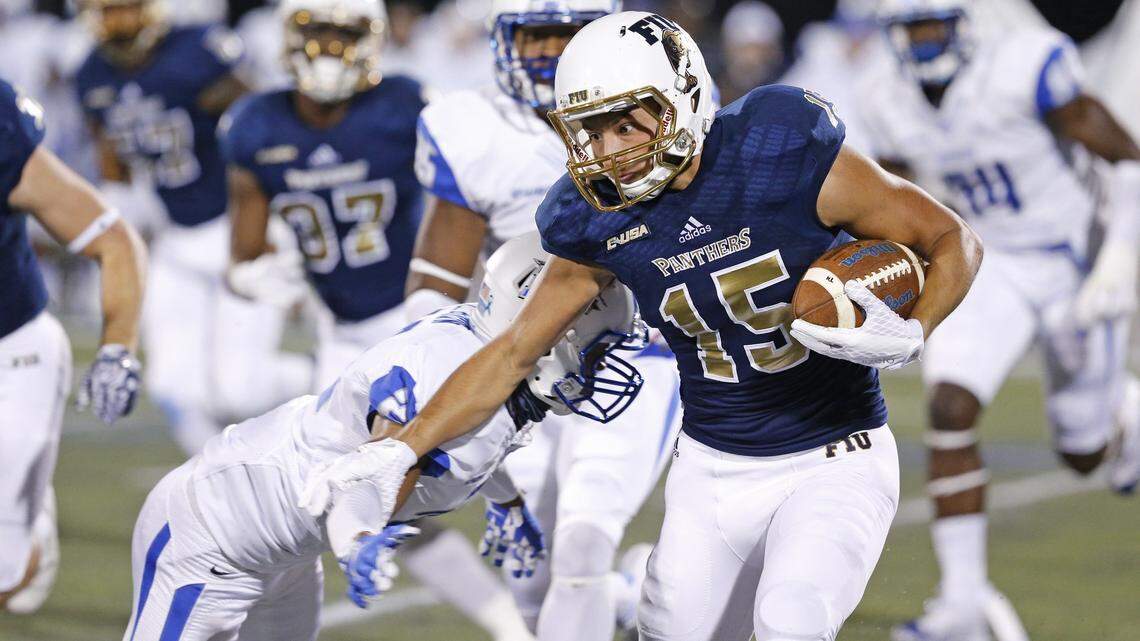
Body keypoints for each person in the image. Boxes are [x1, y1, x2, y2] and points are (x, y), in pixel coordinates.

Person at [304, 11, 984, 641]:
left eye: (626, 124)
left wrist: (917, 327)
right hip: (711, 471)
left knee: (790, 619)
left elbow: (951, 238)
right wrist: (405, 448)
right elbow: (513, 351)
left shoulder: (780, 150)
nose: (609, 149)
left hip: (834, 459)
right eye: (591, 131)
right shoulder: (596, 217)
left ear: (681, 96)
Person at [121, 233, 643, 641]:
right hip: (212, 533)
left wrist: (505, 499)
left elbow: (457, 436)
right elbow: (369, 476)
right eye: (599, 349)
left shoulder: (485, 366)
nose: (600, 368)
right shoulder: (446, 370)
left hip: (285, 551)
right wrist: (361, 542)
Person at [222, 1, 536, 638]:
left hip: (423, 317)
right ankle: (513, 623)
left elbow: (462, 198)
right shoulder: (254, 123)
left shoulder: (407, 104)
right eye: (317, 35)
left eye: (345, 35)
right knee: (369, 497)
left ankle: (549, 607)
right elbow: (243, 255)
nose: (330, 50)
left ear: (370, 41)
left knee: (507, 481)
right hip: (342, 338)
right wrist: (267, 278)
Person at [858, 2, 1140, 640]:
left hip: (1074, 259)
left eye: (933, 24)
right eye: (912, 28)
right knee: (950, 404)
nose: (924, 40)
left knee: (1083, 455)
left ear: (962, 22)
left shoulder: (1027, 61)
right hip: (991, 260)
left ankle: (1122, 410)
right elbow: (893, 198)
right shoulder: (884, 94)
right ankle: (961, 602)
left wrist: (1119, 256)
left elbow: (1127, 158)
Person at [409, 1, 680, 638]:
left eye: (571, 34)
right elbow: (437, 282)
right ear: (504, 39)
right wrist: (429, 358)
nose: (556, 52)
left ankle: (611, 590)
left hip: (633, 354)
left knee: (584, 543)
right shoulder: (468, 126)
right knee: (531, 574)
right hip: (520, 362)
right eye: (539, 36)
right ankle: (627, 595)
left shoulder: (656, 104)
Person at [75, 0, 309, 455]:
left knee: (240, 392)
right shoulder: (92, 75)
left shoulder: (197, 51)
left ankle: (327, 375)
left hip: (239, 232)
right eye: (108, 11)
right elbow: (113, 163)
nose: (120, 23)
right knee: (173, 386)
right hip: (177, 240)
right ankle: (221, 487)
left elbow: (261, 121)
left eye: (128, 9)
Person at [0, 77, 146, 613]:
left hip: (11, 353)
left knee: (4, 574)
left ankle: (31, 529)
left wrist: (117, 349)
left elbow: (113, 239)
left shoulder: (2, 131)